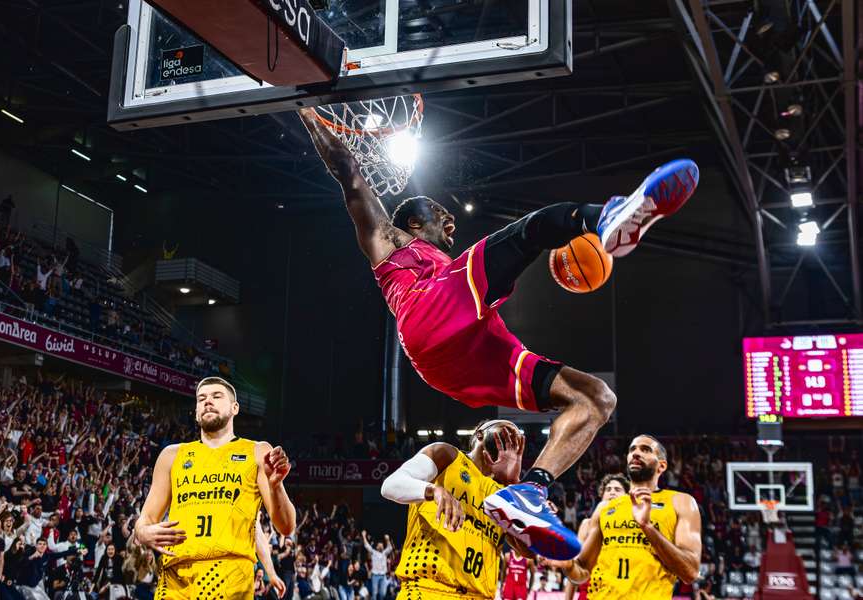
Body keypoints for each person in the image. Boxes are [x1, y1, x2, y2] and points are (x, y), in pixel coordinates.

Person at [298, 108, 699, 558]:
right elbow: (348, 173)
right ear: (412, 223)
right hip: (429, 314)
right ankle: (608, 217)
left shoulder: (451, 268)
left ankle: (530, 493)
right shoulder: (390, 242)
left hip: (467, 354)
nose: (450, 221)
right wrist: (306, 105)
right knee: (535, 228)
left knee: (596, 399)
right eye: (440, 214)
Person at [133, 377, 297, 599]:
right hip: (175, 579)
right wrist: (142, 531)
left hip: (229, 577)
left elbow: (286, 526)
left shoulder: (258, 452)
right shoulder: (171, 455)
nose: (207, 402)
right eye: (202, 398)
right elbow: (146, 518)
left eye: (216, 396)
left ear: (234, 407)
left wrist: (276, 486)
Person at [379, 419, 529, 599]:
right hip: (428, 590)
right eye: (504, 431)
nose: (511, 438)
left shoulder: (504, 494)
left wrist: (514, 485)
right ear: (479, 434)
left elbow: (528, 550)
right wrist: (433, 490)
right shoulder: (447, 455)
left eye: (516, 438)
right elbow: (390, 485)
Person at [552, 436, 702, 599]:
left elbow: (690, 572)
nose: (636, 453)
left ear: (661, 466)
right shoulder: (606, 507)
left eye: (645, 449)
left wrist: (647, 527)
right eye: (632, 449)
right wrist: (567, 565)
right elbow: (582, 571)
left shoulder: (681, 502)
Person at [560, 473, 629, 600]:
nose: (612, 492)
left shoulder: (632, 526)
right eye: (608, 489)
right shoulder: (586, 525)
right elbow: (576, 564)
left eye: (617, 489)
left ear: (627, 497)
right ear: (602, 496)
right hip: (590, 591)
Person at [361, 531, 391, 600]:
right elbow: (367, 546)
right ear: (377, 547)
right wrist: (364, 536)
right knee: (374, 594)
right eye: (379, 545)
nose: (381, 546)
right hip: (375, 576)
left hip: (383, 576)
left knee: (382, 593)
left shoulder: (384, 553)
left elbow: (390, 548)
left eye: (382, 545)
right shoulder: (373, 552)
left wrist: (387, 540)